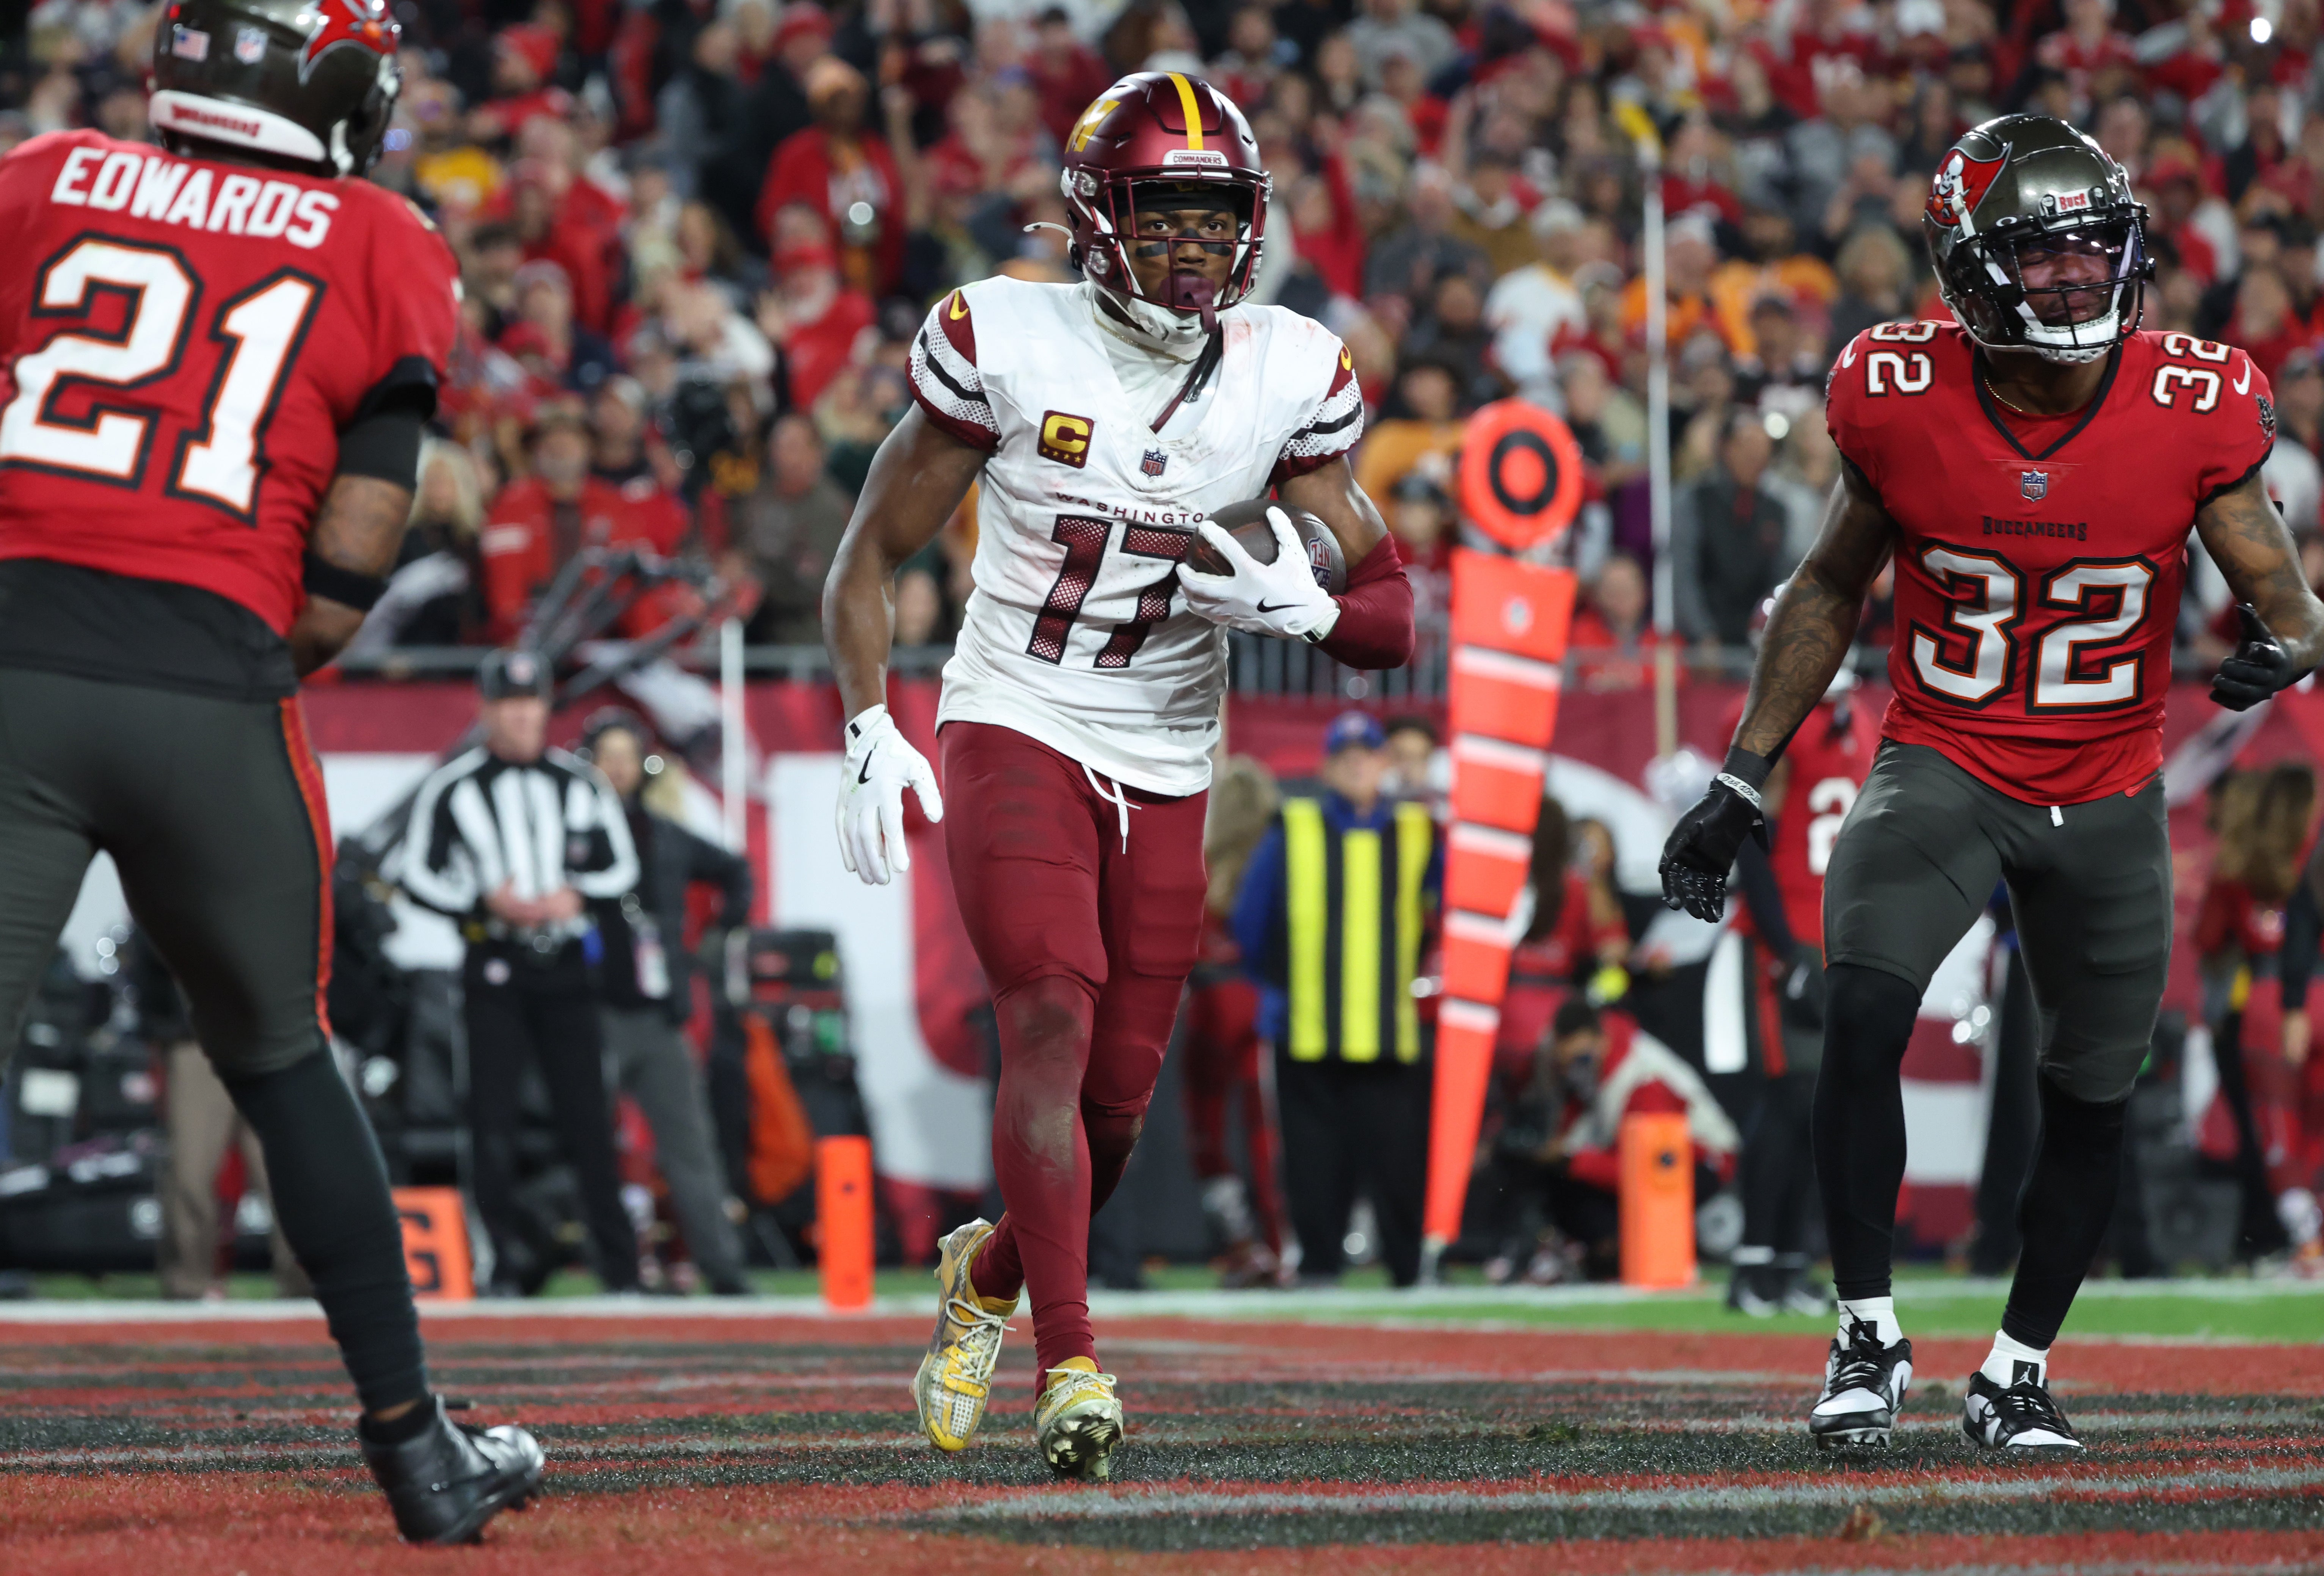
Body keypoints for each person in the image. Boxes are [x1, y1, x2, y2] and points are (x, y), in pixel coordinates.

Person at [1659, 115, 2324, 1455]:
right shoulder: (1894, 392)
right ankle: (1863, 1331)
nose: (2077, 279)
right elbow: (1833, 584)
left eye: (2093, 252)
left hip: (2108, 782)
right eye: (2042, 254)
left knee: (2091, 1086)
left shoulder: (2191, 402)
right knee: (1857, 1005)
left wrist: (2291, 642)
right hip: (1941, 759)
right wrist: (1740, 778)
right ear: (1967, 270)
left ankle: (2014, 1367)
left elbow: (2282, 589)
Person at [0, 0, 541, 1540]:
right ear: (332, 92)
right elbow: (357, 548)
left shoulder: (44, 177)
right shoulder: (374, 233)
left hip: (16, 654)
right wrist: (224, 664)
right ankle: (418, 1452)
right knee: (283, 1057)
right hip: (210, 680)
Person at [822, 73, 1412, 1479]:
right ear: (1099, 216)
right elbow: (865, 560)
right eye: (1169, 213)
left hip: (1169, 749)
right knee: (1047, 1020)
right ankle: (1068, 1362)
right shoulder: (1006, 337)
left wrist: (1314, 613)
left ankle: (988, 1275)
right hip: (1017, 711)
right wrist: (866, 719)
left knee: (1120, 1105)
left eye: (1221, 217)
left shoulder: (1289, 368)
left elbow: (1394, 612)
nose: (1198, 246)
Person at [401, 651, 643, 1300]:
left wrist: (577, 896)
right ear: (486, 711)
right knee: (491, 1120)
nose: (522, 715)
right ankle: (502, 1264)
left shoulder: (579, 782)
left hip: (564, 963)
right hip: (494, 962)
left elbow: (620, 866)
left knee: (589, 1119)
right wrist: (482, 900)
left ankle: (618, 1267)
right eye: (509, 704)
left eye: (532, 702)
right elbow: (415, 873)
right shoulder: (453, 786)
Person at [1232, 712, 1441, 1288]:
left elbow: (1454, 911)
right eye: (1344, 753)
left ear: (1384, 762)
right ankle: (1320, 1268)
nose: (1356, 761)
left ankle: (1409, 1270)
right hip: (1307, 1032)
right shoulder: (1292, 828)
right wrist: (1284, 989)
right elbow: (1250, 923)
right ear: (1326, 767)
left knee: (1399, 1166)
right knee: (1313, 1164)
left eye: (1367, 752)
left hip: (1389, 1033)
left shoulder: (1420, 831)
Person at [582, 712, 756, 1295]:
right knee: (586, 1147)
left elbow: (736, 871)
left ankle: (723, 1268)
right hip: (590, 1014)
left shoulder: (665, 833)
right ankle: (611, 1266)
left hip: (657, 1016)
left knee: (690, 1148)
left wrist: (711, 939)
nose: (618, 768)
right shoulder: (570, 833)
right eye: (607, 756)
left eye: (626, 755)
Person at [1723, 669, 1873, 1317]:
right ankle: (1752, 1264)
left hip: (1839, 933)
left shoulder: (1862, 719)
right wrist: (1784, 952)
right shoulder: (1783, 722)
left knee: (1825, 1107)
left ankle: (1787, 1263)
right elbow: (1750, 848)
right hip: (1788, 939)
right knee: (1786, 1101)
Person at [1480, 1001, 1738, 1282]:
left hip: (1698, 1162)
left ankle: (1629, 1248)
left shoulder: (1645, 1080)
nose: (1570, 1071)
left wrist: (1570, 1159)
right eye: (1563, 1063)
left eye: (1579, 1060)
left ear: (1602, 1041)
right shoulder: (1579, 1062)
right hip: (1638, 1160)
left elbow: (1645, 1168)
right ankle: (1586, 1249)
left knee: (1582, 1182)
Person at [1181, 755, 1290, 1287]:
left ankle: (1241, 1243)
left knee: (1209, 1131)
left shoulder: (1198, 864)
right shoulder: (1279, 861)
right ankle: (1278, 1243)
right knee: (1264, 1131)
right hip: (1257, 1002)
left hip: (1204, 1002)